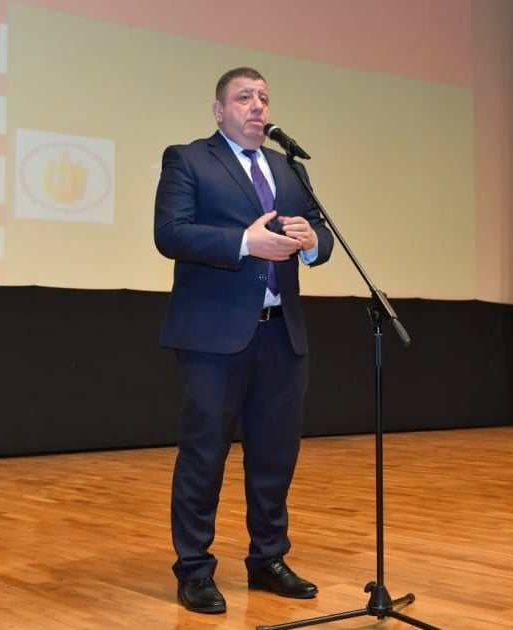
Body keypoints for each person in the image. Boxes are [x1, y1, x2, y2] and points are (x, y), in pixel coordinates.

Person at [154, 66, 334, 613]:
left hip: (282, 333)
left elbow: (323, 233)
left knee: (275, 455)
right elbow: (171, 233)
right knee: (204, 454)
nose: (257, 106)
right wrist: (244, 242)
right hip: (213, 336)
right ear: (219, 110)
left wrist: (310, 242)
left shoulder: (288, 168)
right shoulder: (189, 159)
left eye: (263, 97)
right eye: (244, 97)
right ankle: (194, 569)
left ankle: (268, 559)